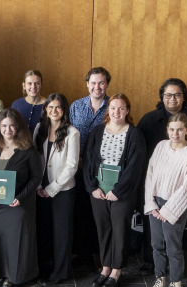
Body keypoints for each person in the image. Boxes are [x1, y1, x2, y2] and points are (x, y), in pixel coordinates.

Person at [82, 94, 147, 287]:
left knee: (119, 231)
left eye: (121, 108)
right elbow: (88, 162)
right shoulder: (96, 132)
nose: (116, 112)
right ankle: (105, 268)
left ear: (127, 110)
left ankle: (117, 270)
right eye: (112, 108)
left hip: (122, 193)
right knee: (104, 230)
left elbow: (136, 167)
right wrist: (92, 188)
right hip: (98, 192)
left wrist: (118, 190)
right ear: (107, 110)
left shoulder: (134, 134)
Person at [0, 109, 43, 287]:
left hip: (18, 204)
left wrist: (20, 197)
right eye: (4, 125)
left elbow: (36, 177)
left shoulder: (28, 150)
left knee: (16, 241)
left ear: (18, 127)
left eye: (12, 125)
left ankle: (14, 277)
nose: (8, 129)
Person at [143, 113, 187, 287]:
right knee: (157, 244)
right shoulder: (161, 146)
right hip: (156, 201)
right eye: (171, 129)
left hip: (176, 205)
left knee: (173, 247)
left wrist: (167, 211)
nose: (175, 133)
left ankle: (176, 281)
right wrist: (151, 204)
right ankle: (160, 277)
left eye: (179, 130)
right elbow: (150, 175)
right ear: (167, 130)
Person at [32, 93, 80, 285]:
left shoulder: (72, 132)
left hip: (63, 190)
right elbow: (34, 158)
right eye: (50, 107)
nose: (54, 111)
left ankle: (60, 272)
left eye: (58, 107)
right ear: (45, 109)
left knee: (61, 233)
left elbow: (72, 166)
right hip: (40, 188)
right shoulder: (39, 128)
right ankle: (44, 268)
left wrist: (52, 188)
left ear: (64, 110)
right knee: (43, 231)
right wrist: (37, 185)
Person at [69, 67, 112, 261]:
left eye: (101, 83)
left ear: (107, 84)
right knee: (78, 209)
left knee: (99, 213)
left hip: (102, 168)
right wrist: (75, 159)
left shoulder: (113, 106)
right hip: (76, 166)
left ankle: (97, 253)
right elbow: (67, 134)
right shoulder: (76, 106)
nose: (97, 87)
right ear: (87, 84)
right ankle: (77, 250)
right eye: (93, 83)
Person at [137, 78, 187, 155]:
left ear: (184, 97)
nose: (172, 99)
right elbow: (138, 148)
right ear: (162, 97)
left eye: (177, 95)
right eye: (168, 95)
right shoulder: (148, 120)